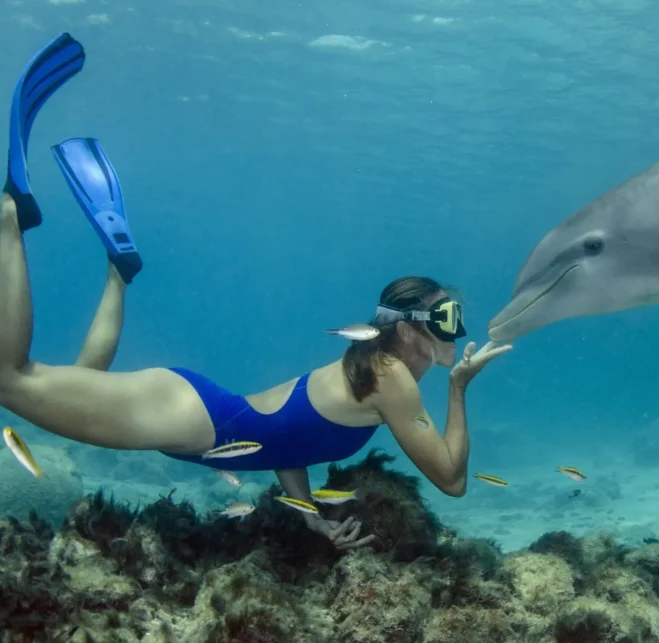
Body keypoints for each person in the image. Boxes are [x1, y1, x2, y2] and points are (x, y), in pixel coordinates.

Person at [0, 34, 512, 551]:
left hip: (193, 411)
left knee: (79, 384)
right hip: (193, 418)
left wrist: (311, 517)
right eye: (445, 317)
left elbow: (291, 442)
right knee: (10, 378)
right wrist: (458, 389)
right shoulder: (391, 376)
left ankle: (119, 271)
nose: (457, 329)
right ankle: (9, 215)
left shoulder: (369, 367)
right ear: (405, 329)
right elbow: (452, 481)